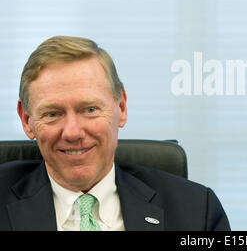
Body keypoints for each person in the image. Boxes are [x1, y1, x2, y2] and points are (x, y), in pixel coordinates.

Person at [0, 36, 231, 231]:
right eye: (52, 114)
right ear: (26, 119)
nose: (72, 132)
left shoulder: (197, 212)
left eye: (90, 110)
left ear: (121, 108)